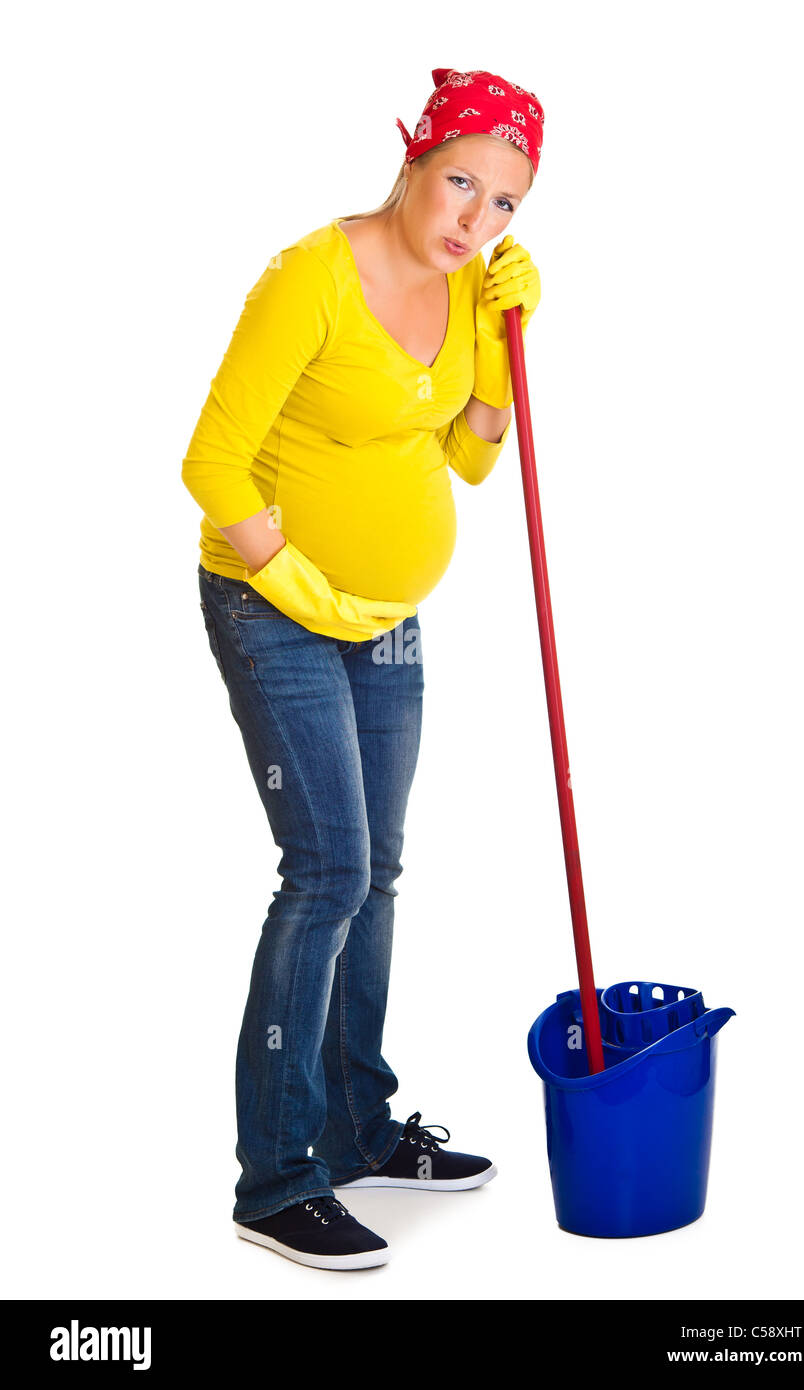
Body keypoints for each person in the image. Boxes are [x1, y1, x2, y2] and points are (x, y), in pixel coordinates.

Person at [181, 67, 544, 1271]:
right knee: (326, 870)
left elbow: (475, 457)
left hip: (387, 617)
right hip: (273, 605)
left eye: (503, 205)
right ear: (414, 155)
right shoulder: (310, 279)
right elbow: (213, 464)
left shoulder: (462, 289)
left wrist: (502, 341)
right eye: (460, 182)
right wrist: (293, 585)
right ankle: (276, 1179)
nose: (472, 221)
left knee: (377, 871)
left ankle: (355, 1126)